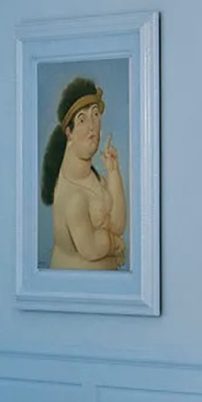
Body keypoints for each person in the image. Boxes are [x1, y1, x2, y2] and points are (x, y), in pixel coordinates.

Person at [41, 76, 128, 270]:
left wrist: (113, 172)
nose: (92, 126)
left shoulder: (96, 179)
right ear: (69, 133)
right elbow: (90, 250)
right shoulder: (73, 196)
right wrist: (114, 244)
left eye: (95, 115)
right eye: (82, 119)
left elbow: (118, 225)